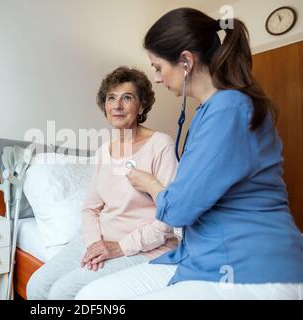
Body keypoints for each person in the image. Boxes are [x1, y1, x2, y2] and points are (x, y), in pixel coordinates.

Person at [75, 8, 303, 300]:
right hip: (200, 256)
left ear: (185, 61)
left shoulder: (227, 109)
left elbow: (178, 211)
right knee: (92, 295)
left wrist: (151, 185)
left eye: (158, 67)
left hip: (248, 265)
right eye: (111, 99)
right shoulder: (212, 111)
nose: (157, 77)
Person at [26, 66, 179, 299]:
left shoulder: (161, 145)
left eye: (127, 98)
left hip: (146, 247)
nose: (117, 106)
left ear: (142, 106)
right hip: (102, 239)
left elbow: (169, 217)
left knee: (64, 292)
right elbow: (90, 207)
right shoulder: (104, 151)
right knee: (37, 285)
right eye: (111, 98)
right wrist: (95, 243)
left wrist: (119, 247)